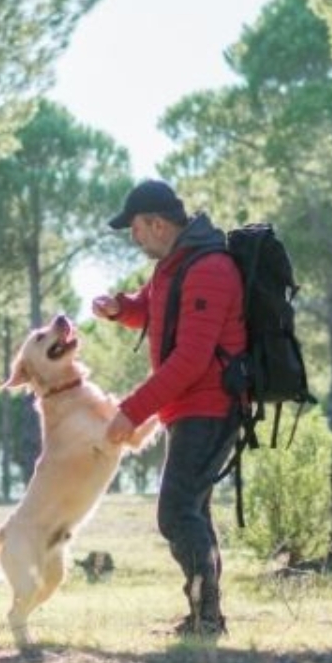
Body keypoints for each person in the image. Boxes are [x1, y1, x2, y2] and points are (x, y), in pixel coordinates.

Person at [92, 179, 246, 639]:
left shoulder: (209, 267)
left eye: (136, 229)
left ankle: (206, 618)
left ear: (157, 223)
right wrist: (122, 309)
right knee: (191, 512)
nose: (134, 239)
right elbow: (156, 308)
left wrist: (132, 411)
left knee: (176, 513)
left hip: (211, 407)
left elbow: (191, 359)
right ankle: (206, 616)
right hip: (189, 409)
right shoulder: (174, 264)